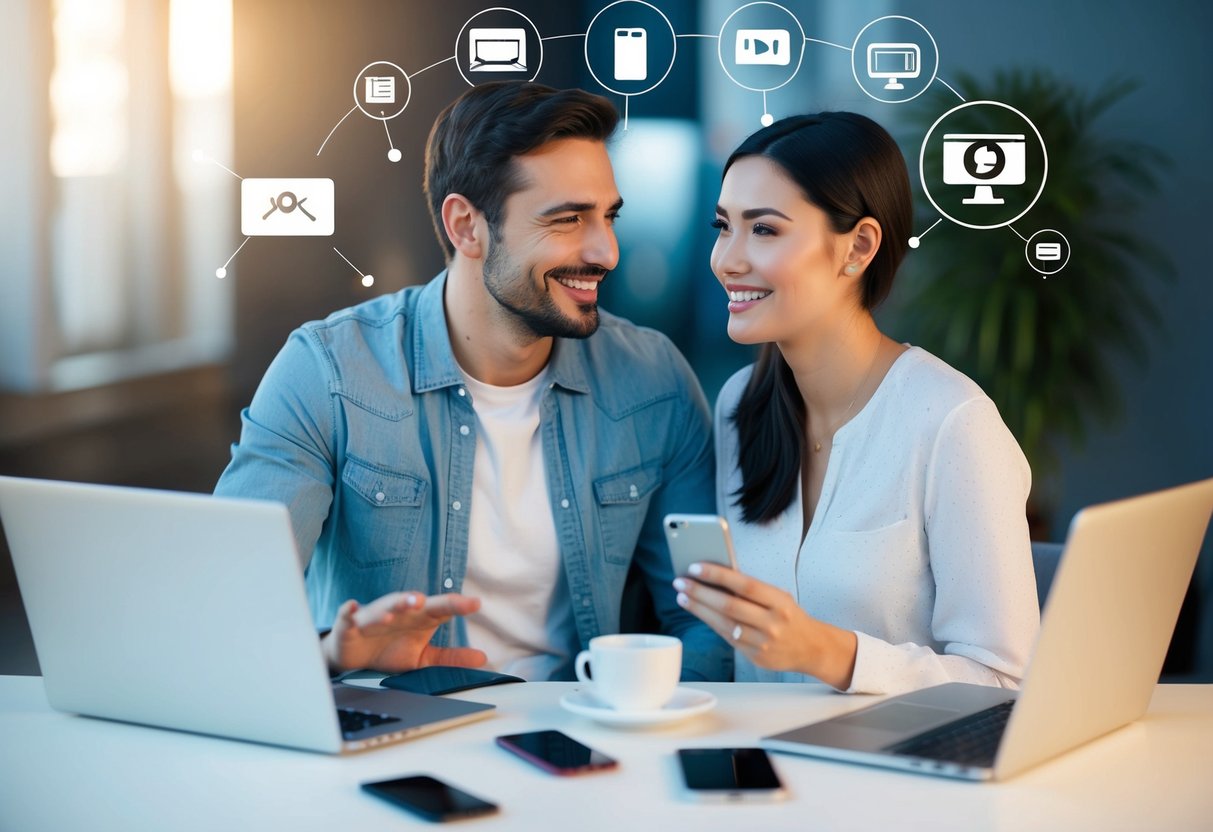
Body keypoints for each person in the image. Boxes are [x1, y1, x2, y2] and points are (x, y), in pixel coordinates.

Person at [215, 81, 730, 682]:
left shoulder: (653, 380)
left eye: (608, 217)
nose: (606, 251)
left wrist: (644, 725)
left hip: (584, 737)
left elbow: (706, 619)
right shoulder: (329, 372)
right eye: (567, 219)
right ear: (466, 226)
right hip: (399, 738)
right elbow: (228, 608)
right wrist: (332, 655)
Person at [673, 112, 1039, 695]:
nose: (727, 260)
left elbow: (1004, 680)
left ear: (859, 247)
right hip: (758, 771)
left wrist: (830, 653)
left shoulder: (952, 423)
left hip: (898, 778)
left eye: (764, 229)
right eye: (724, 227)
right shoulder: (739, 405)